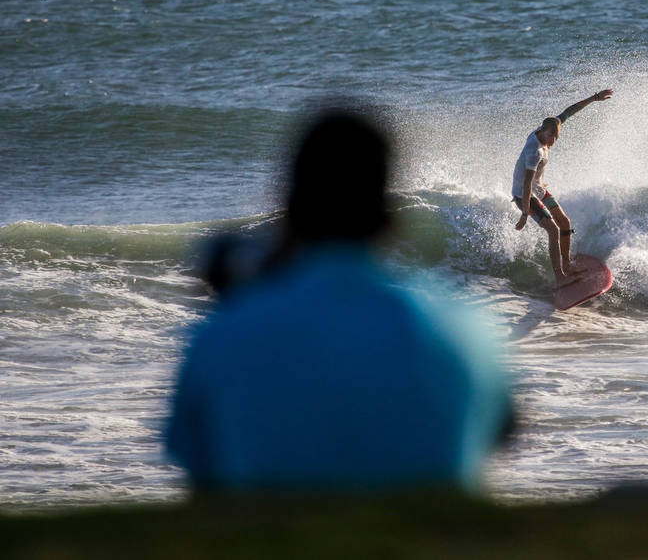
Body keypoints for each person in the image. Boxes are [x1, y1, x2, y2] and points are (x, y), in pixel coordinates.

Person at [166, 109, 511, 493]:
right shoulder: (467, 331)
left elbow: (200, 471)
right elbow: (499, 435)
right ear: (389, 214)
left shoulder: (221, 336)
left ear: (290, 208)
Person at [512, 89, 613, 285]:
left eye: (555, 138)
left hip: (538, 189)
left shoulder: (547, 128)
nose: (552, 141)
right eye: (550, 137)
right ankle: (559, 277)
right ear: (542, 131)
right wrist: (524, 214)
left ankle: (567, 266)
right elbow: (526, 184)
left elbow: (569, 112)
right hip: (524, 195)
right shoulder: (535, 152)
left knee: (564, 223)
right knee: (553, 230)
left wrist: (593, 98)